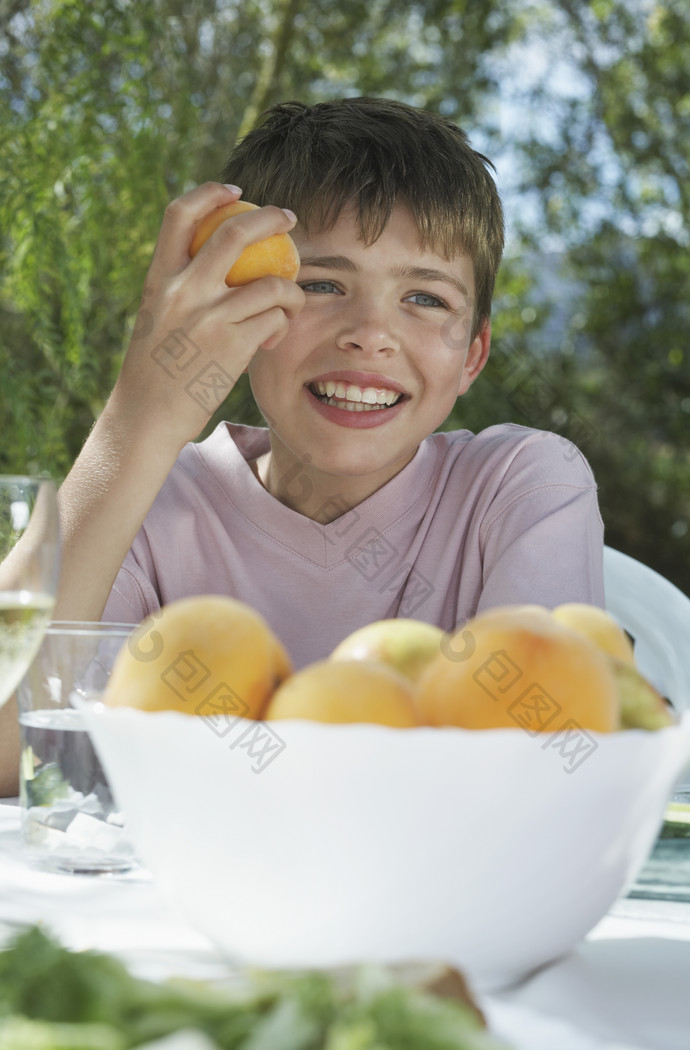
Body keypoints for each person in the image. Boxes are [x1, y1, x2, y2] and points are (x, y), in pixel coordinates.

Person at [0, 97, 604, 794]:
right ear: (241, 310)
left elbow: (546, 774)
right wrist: (142, 416)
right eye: (321, 284)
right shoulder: (147, 505)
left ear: (473, 355)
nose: (369, 333)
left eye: (425, 298)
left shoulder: (522, 486)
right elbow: (11, 750)